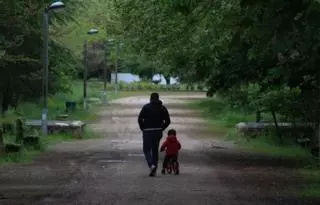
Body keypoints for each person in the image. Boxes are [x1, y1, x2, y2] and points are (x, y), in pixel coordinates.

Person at [138, 93, 171, 177]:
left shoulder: (146, 107)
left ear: (150, 98)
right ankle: (154, 168)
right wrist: (162, 128)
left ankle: (151, 165)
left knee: (146, 150)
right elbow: (168, 121)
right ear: (158, 98)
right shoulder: (162, 108)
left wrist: (143, 128)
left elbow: (140, 119)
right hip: (157, 131)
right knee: (155, 150)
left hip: (147, 131)